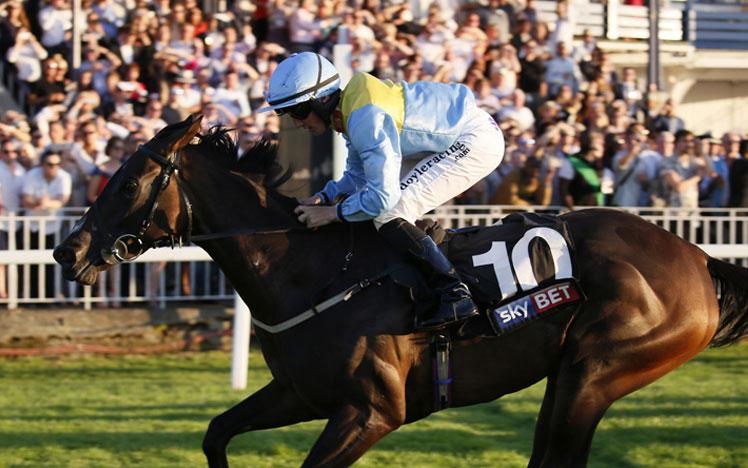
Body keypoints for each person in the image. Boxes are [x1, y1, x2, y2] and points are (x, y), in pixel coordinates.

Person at [258, 52, 504, 330]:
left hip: (474, 139)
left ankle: (455, 293)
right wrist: (323, 197)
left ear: (323, 99)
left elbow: (382, 198)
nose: (296, 122)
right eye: (287, 114)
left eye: (299, 111)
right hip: (451, 136)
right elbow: (357, 175)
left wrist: (332, 213)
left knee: (390, 210)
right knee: (379, 205)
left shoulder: (365, 115)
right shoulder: (351, 108)